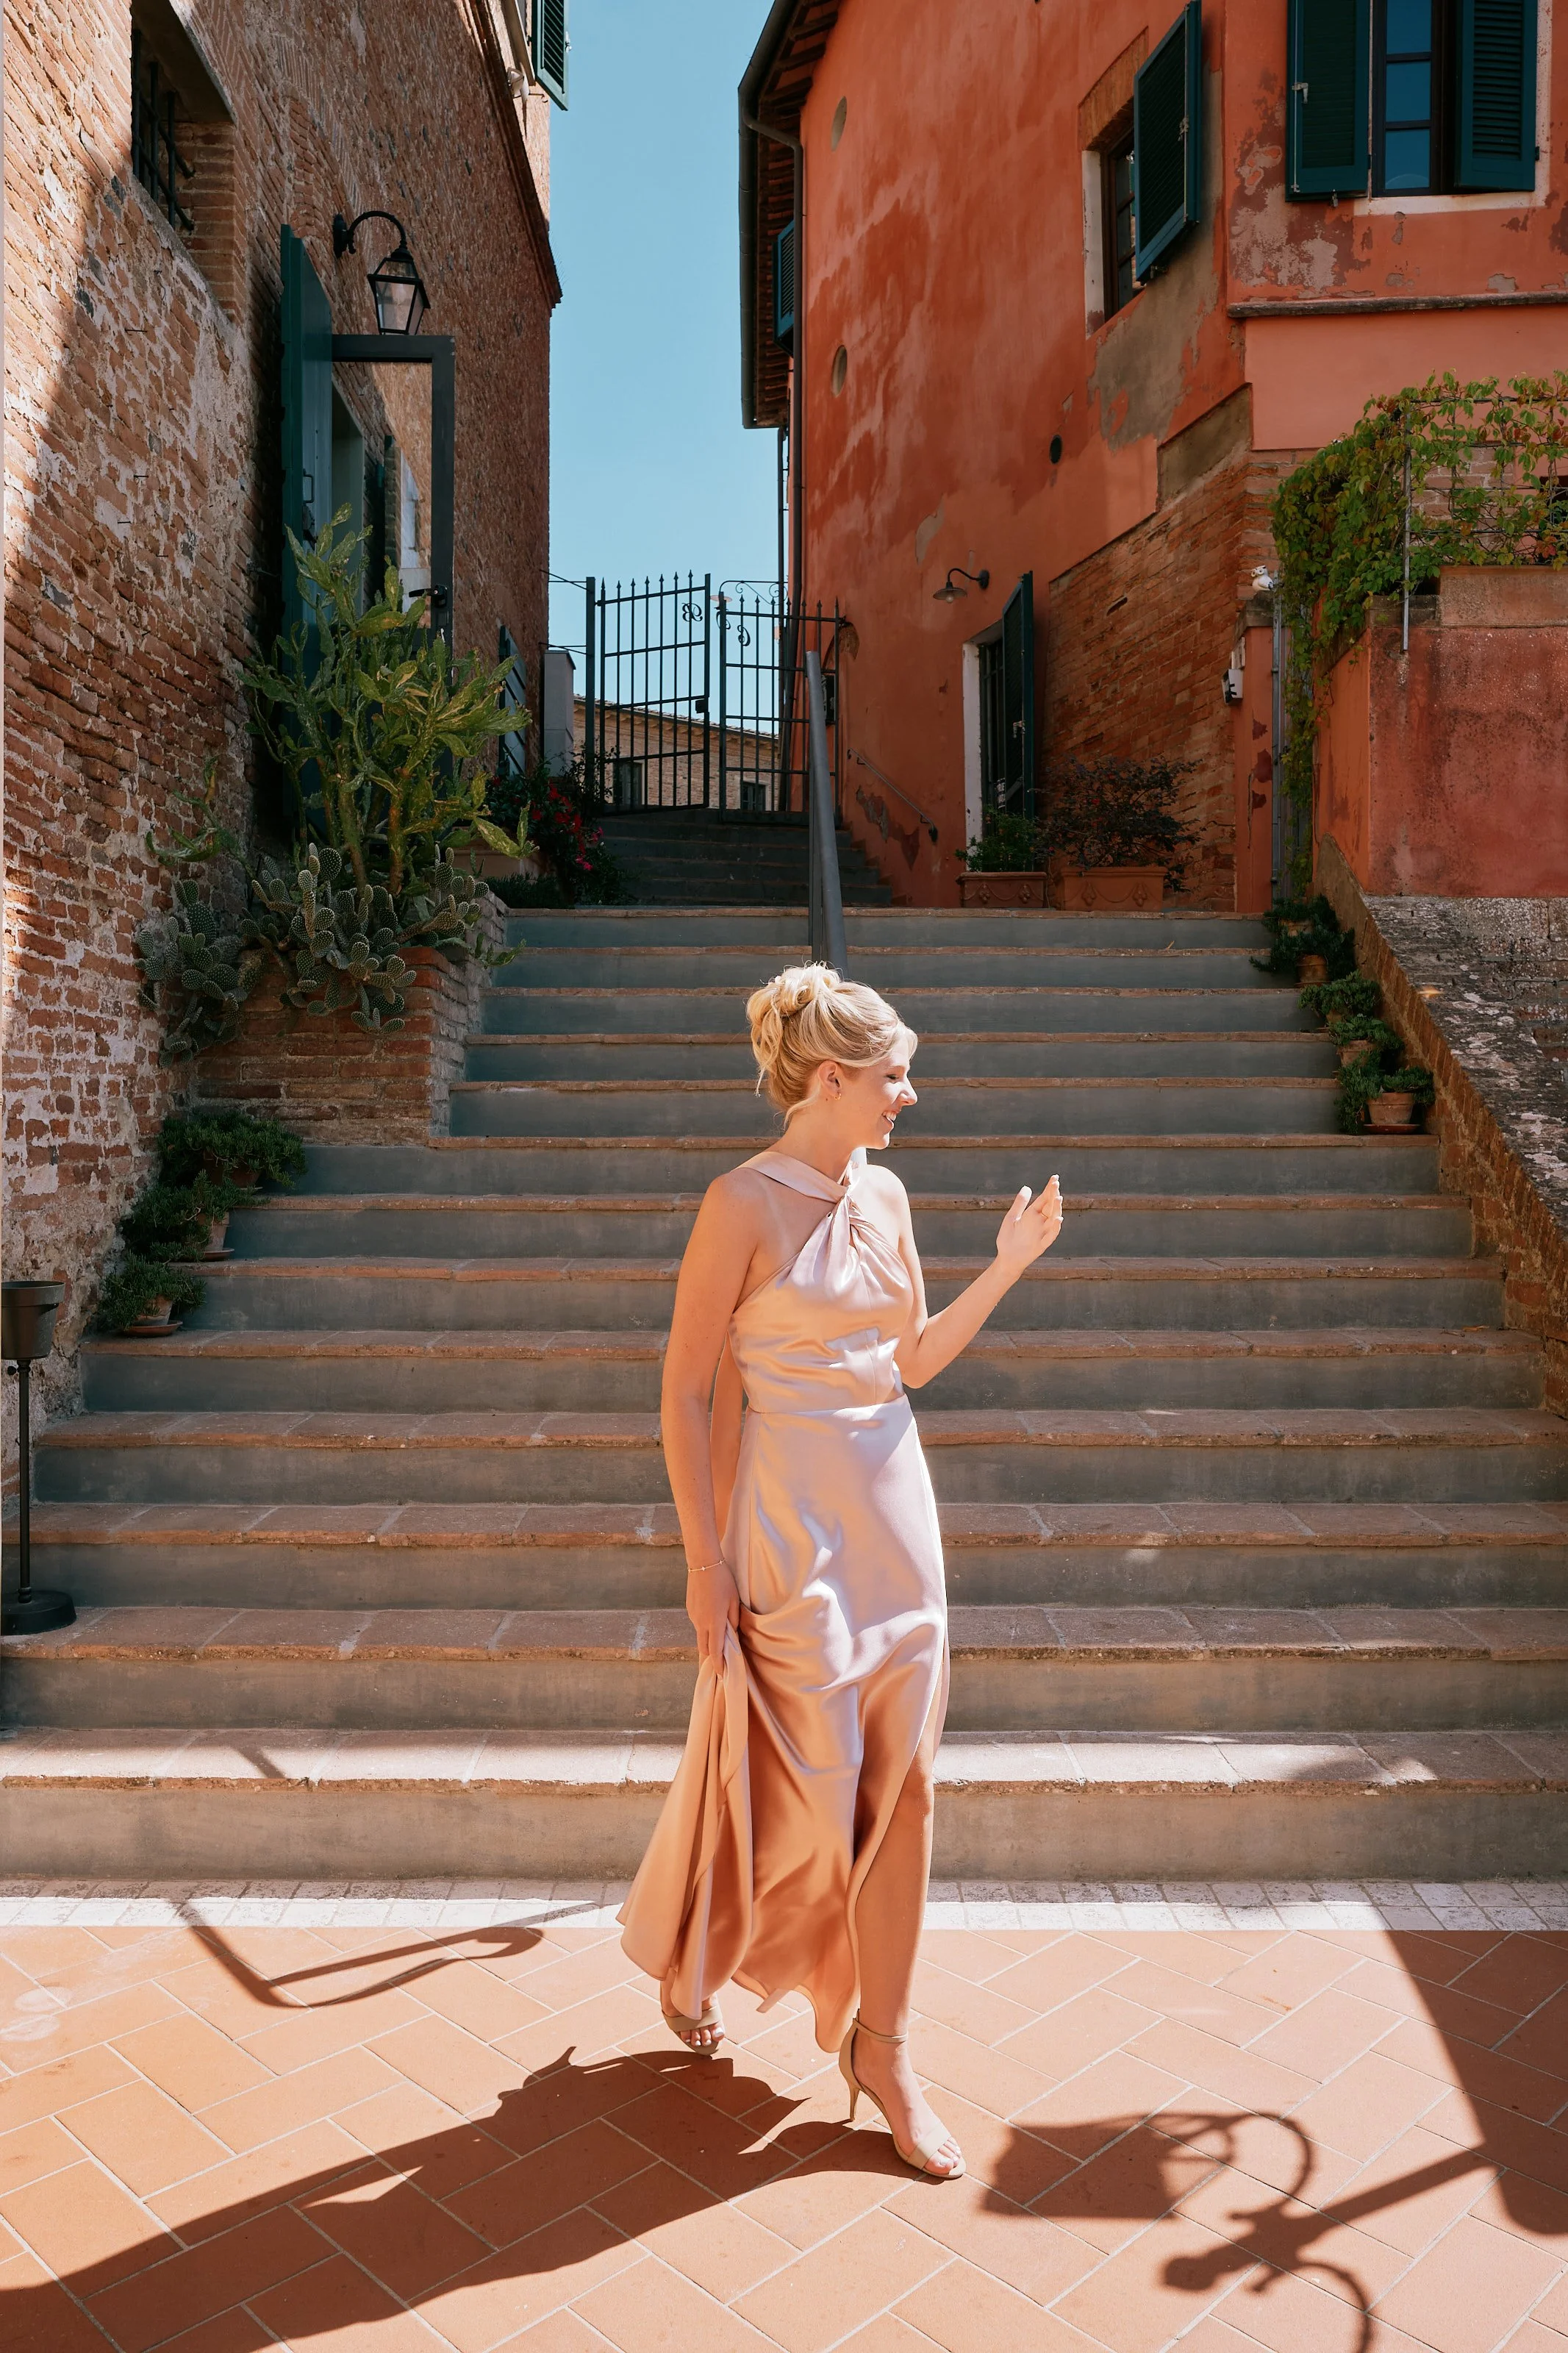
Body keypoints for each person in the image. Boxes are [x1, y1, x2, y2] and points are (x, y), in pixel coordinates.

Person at [619, 963, 1064, 2181]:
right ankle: (703, 1946)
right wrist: (702, 1560)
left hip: (896, 1519)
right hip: (788, 1524)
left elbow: (912, 1361)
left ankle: (888, 2047)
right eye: (891, 1076)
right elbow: (686, 1388)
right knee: (797, 1783)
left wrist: (1010, 1262)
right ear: (831, 1079)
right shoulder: (740, 1206)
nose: (907, 1095)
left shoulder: (893, 1195)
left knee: (908, 1790)